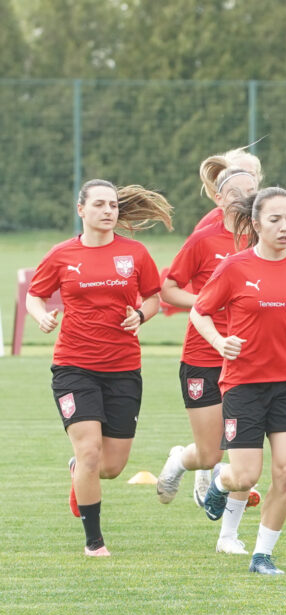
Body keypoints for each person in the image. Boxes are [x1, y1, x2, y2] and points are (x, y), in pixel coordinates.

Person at [190, 187, 286, 575]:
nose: (285, 227)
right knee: (246, 475)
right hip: (243, 385)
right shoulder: (236, 267)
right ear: (256, 224)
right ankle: (221, 484)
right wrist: (220, 341)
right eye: (275, 220)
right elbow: (199, 312)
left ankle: (262, 555)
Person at [28, 180, 170, 556]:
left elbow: (155, 299)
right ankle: (95, 543)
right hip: (74, 366)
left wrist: (140, 315)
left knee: (110, 467)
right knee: (91, 452)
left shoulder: (135, 254)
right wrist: (41, 316)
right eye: (100, 205)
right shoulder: (61, 254)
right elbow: (35, 295)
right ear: (82, 210)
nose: (108, 211)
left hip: (123, 368)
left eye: (113, 206)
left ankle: (79, 470)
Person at [155, 150, 263, 554]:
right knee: (211, 451)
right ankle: (182, 462)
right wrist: (208, 299)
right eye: (238, 193)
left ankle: (228, 537)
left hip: (250, 360)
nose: (246, 200)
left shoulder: (264, 235)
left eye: (253, 191)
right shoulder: (204, 237)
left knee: (242, 451)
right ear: (219, 199)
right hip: (203, 355)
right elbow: (168, 289)